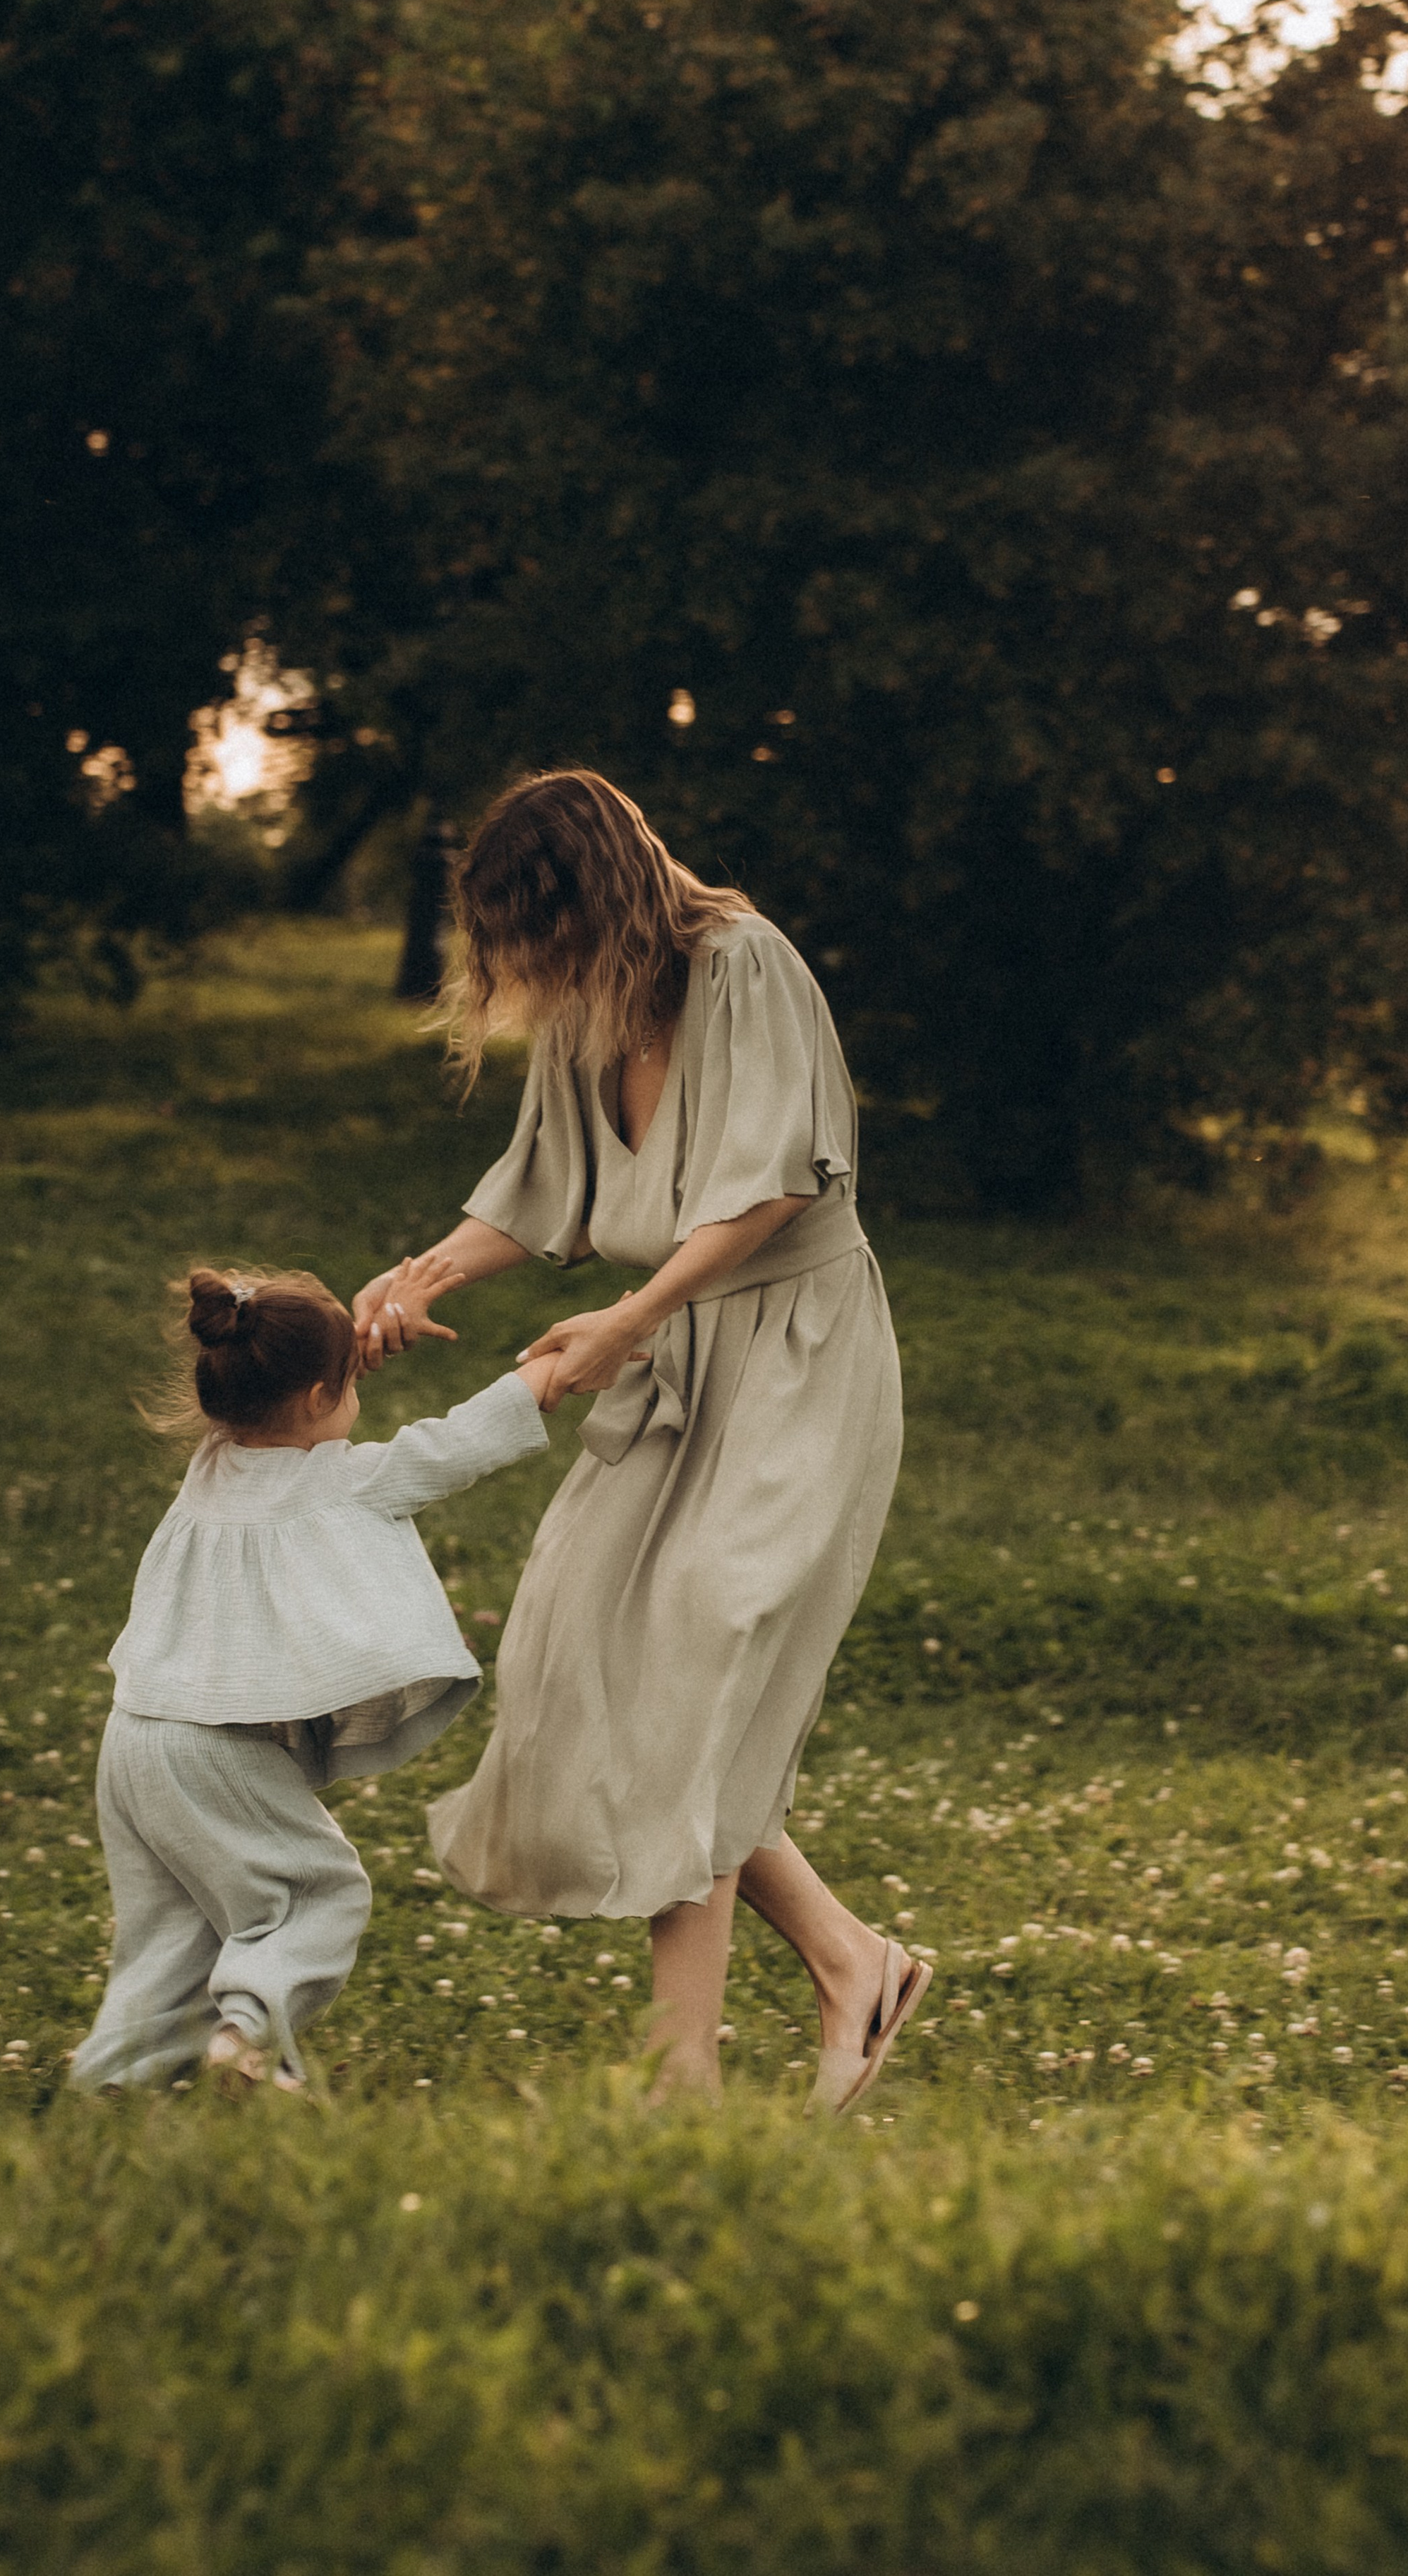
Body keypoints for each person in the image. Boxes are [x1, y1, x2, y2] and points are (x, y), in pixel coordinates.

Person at [352, 769, 922, 2113]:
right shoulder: (588, 1013)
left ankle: (681, 2085)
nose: (522, 974)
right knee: (598, 1661)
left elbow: (778, 1188)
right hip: (671, 1355)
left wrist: (628, 1319)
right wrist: (426, 1273)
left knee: (698, 1657)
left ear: (595, 902)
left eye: (534, 938)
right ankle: (855, 1963)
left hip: (793, 1353)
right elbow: (551, 1188)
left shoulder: (748, 968)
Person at [70, 1257, 554, 2093]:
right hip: (214, 1749)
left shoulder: (213, 1462)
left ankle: (116, 2076)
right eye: (344, 1389)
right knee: (313, 1894)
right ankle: (247, 2038)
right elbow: (456, 1444)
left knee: (169, 1927)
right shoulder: (347, 1480)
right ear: (323, 1398)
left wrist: (327, 1359)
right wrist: (551, 1375)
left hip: (133, 1737)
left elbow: (282, 1393)